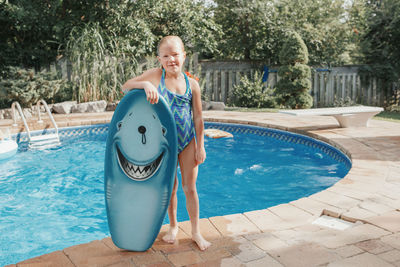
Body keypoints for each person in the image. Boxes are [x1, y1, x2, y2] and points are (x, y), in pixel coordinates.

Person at [121, 36, 211, 251]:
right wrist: (144, 85)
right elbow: (126, 86)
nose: (172, 59)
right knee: (170, 189)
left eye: (176, 54)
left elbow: (198, 117)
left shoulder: (192, 84)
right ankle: (173, 226)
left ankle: (196, 232)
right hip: (165, 143)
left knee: (190, 188)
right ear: (159, 59)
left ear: (184, 56)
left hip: (188, 140)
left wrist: (201, 145)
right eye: (166, 55)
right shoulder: (155, 76)